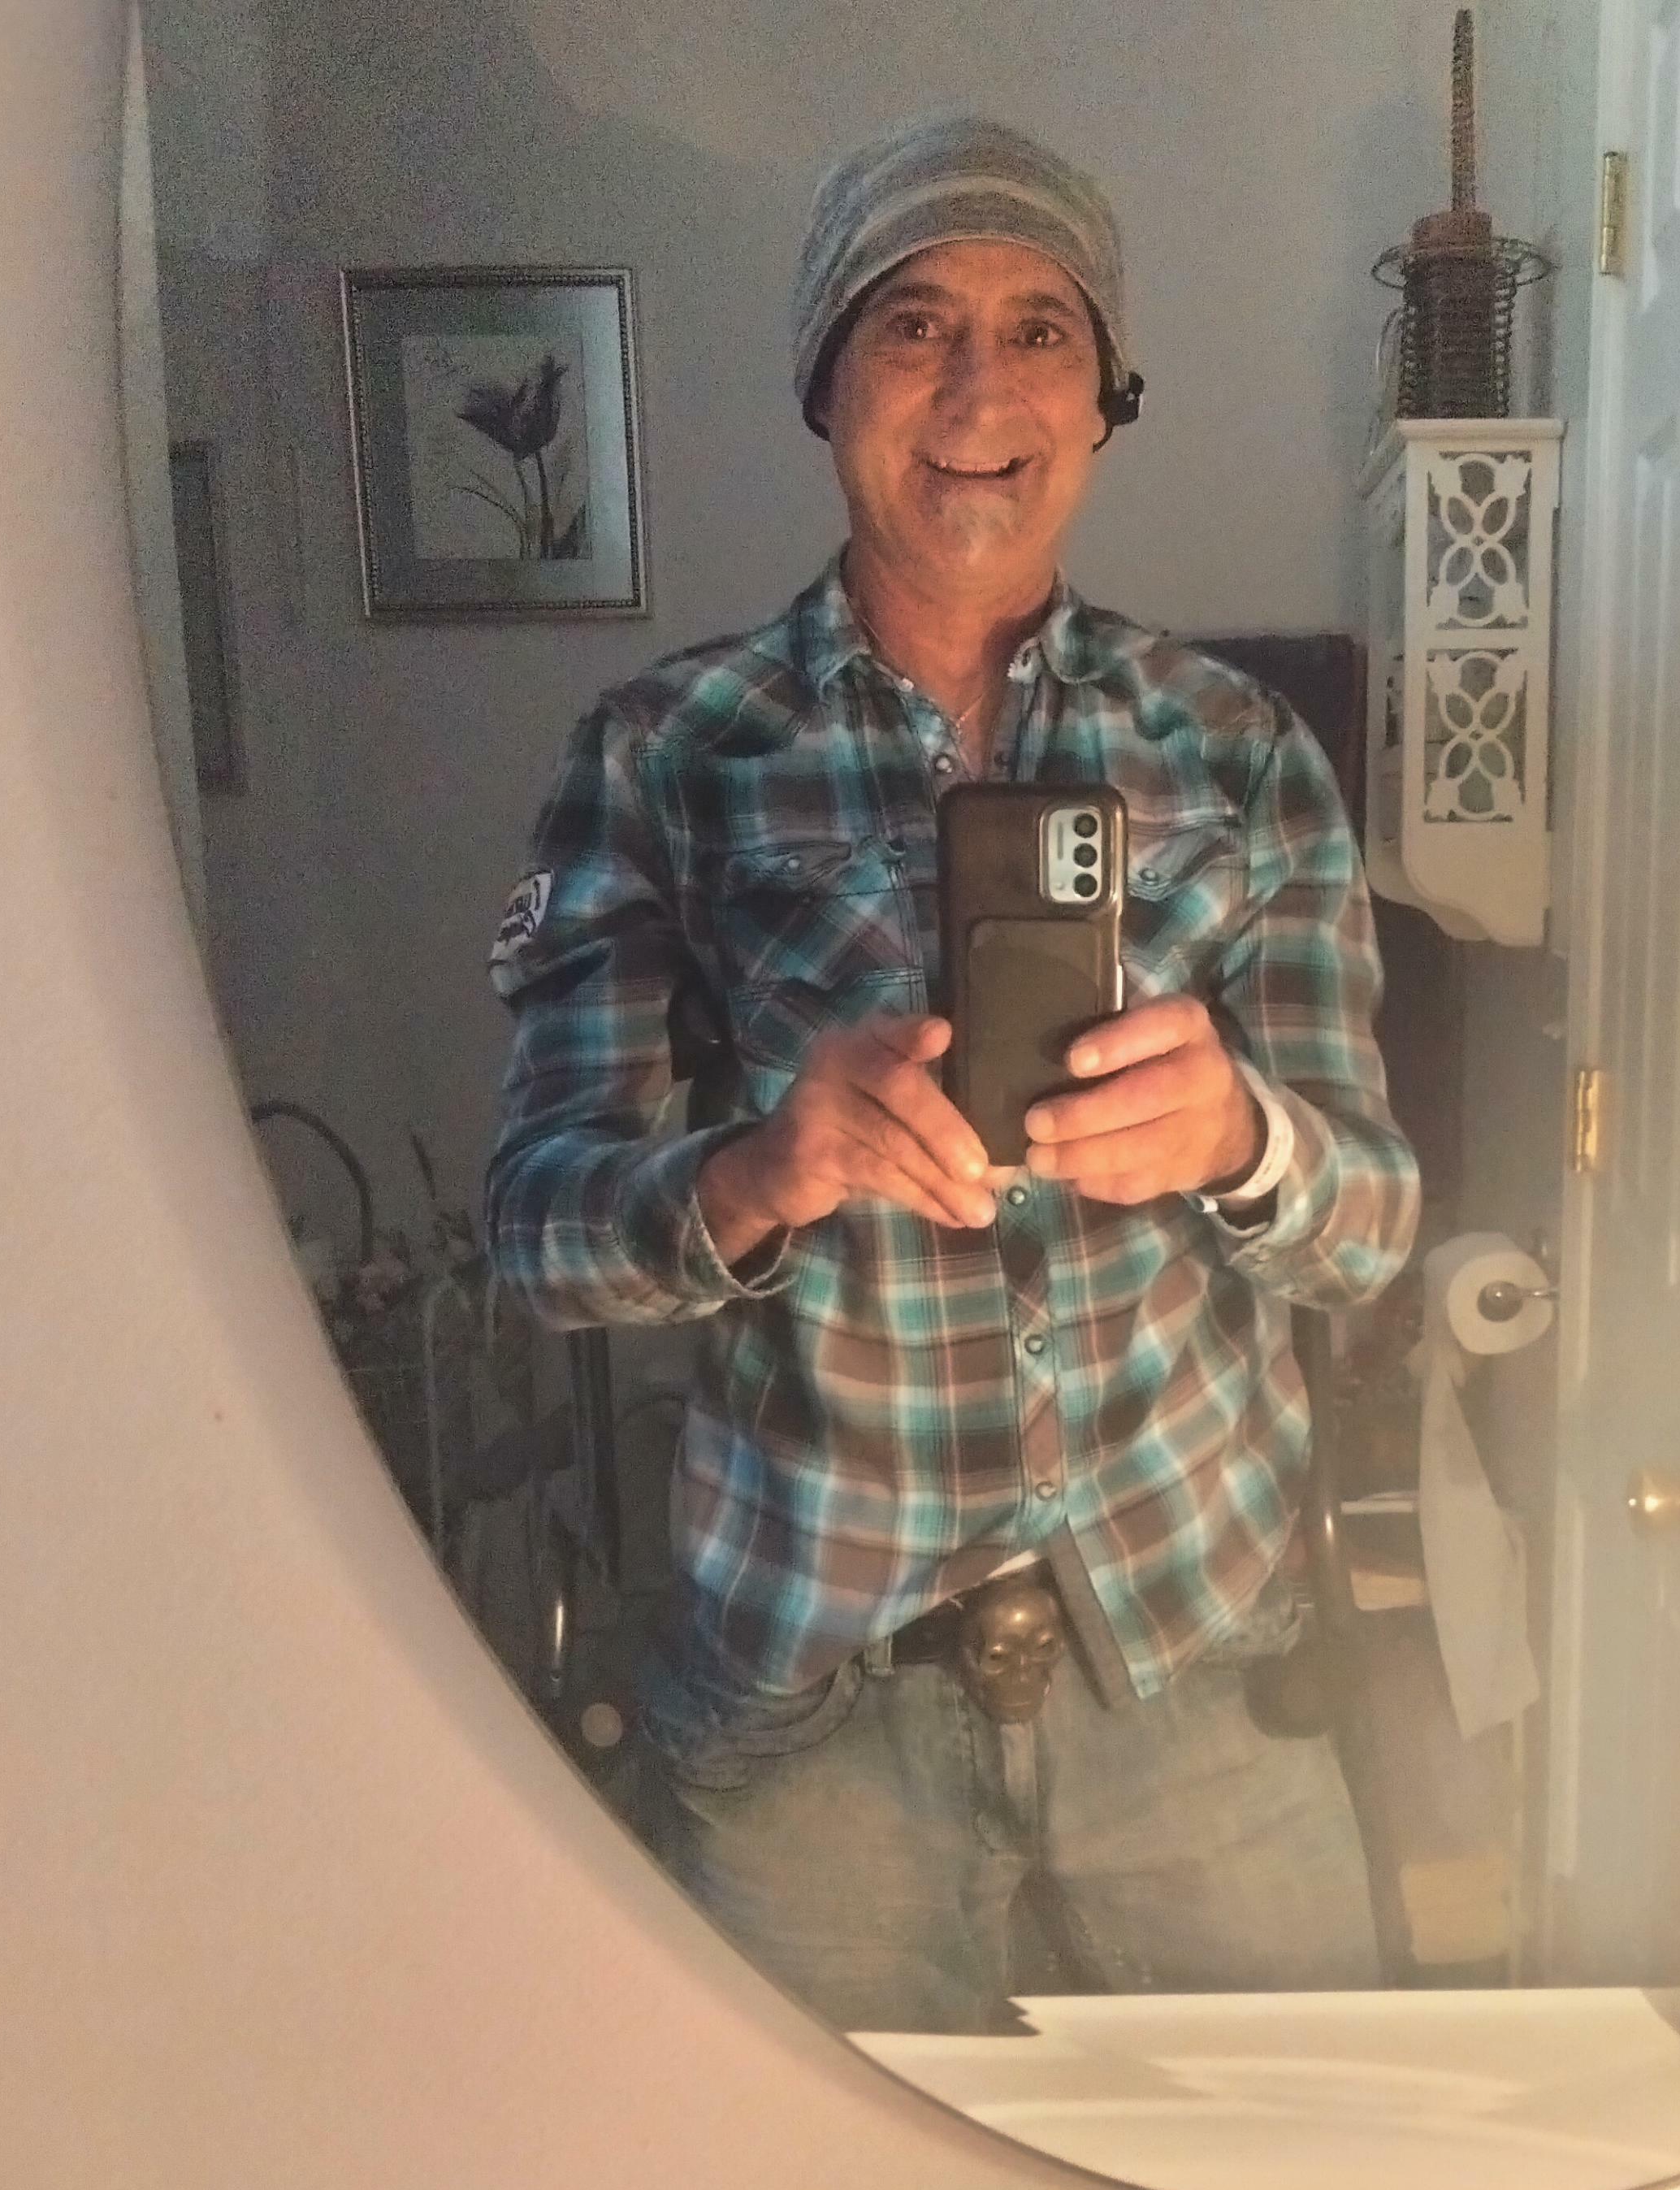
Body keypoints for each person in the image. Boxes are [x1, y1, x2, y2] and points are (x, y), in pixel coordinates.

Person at [485, 116, 1419, 2034]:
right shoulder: (667, 754)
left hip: (1196, 1681)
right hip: (815, 1711)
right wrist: (764, 1169)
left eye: (1040, 330)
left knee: (1295, 2185)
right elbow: (537, 1232)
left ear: (1104, 396)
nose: (981, 388)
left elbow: (1372, 1227)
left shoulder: (1239, 750)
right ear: (827, 382)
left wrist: (1241, 1139)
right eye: (913, 326)